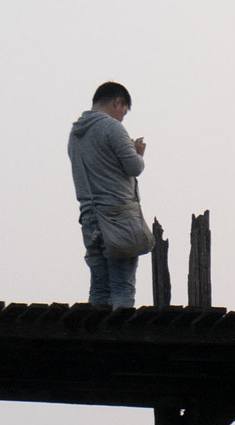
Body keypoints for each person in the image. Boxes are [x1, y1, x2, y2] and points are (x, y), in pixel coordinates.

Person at [68, 81, 148, 309]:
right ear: (117, 102)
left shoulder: (75, 134)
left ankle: (96, 340)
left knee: (99, 289)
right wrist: (138, 153)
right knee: (123, 286)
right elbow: (134, 167)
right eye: (123, 112)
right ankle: (122, 340)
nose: (122, 118)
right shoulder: (112, 128)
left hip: (89, 217)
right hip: (117, 217)